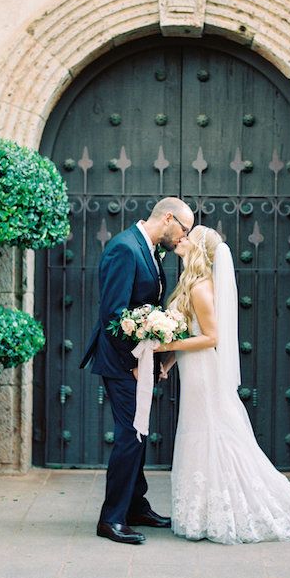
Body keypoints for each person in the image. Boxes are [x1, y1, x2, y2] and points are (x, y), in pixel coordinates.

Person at [158, 225, 290, 544]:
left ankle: (220, 512)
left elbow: (211, 338)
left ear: (198, 248)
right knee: (204, 432)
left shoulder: (201, 287)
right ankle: (202, 511)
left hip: (204, 374)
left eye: (188, 237)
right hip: (192, 371)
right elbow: (189, 331)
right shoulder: (191, 283)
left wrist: (164, 347)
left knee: (213, 433)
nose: (181, 239)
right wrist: (170, 362)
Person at [79, 197, 194, 544]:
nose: (183, 237)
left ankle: (135, 506)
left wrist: (155, 360)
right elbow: (113, 314)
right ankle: (111, 518)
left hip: (140, 361)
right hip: (122, 363)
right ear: (169, 218)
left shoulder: (149, 248)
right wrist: (133, 363)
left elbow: (145, 309)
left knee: (139, 433)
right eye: (184, 229)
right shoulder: (124, 248)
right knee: (130, 436)